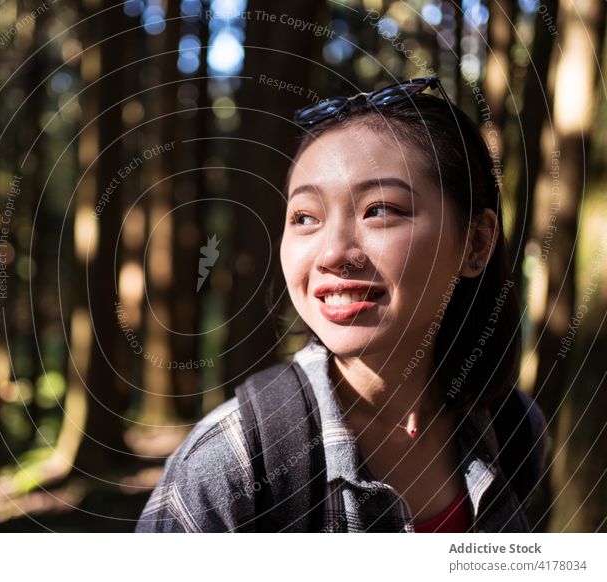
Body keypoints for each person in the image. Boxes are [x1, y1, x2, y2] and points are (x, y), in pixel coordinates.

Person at [135, 77, 548, 533]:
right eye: (305, 217)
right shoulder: (228, 464)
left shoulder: (512, 428)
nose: (332, 254)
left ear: (476, 243)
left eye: (380, 210)